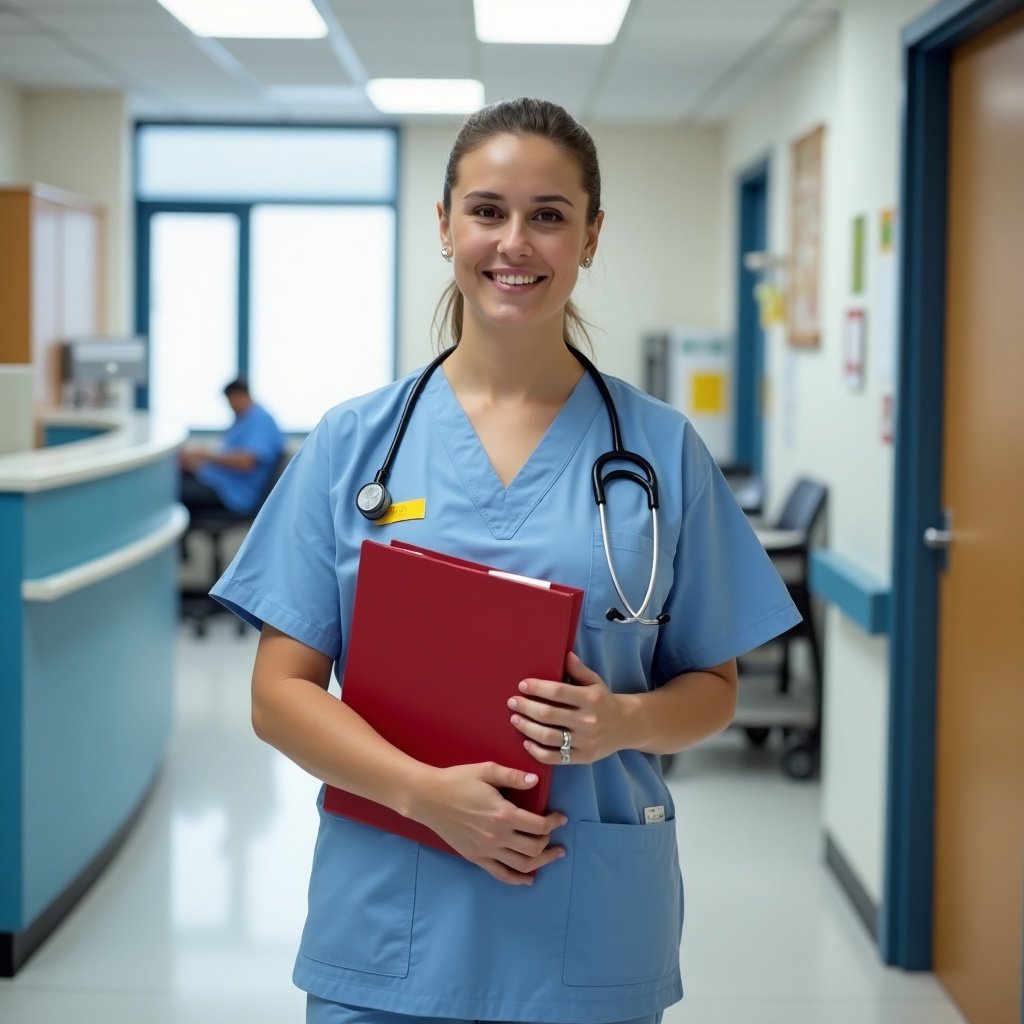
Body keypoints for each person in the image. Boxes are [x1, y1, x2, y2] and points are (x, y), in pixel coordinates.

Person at [211, 97, 801, 1024]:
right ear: (445, 224)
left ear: (591, 236)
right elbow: (277, 694)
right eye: (487, 210)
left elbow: (715, 687)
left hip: (587, 930)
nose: (514, 242)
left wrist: (624, 721)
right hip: (390, 919)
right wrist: (423, 794)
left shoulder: (660, 453)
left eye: (549, 215)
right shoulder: (352, 444)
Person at [179, 378, 284, 517]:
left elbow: (246, 462)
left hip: (234, 495)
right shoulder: (242, 420)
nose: (230, 406)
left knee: (172, 491)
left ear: (239, 396)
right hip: (219, 484)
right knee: (178, 478)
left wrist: (204, 455)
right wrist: (197, 464)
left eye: (230, 400)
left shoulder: (260, 419)